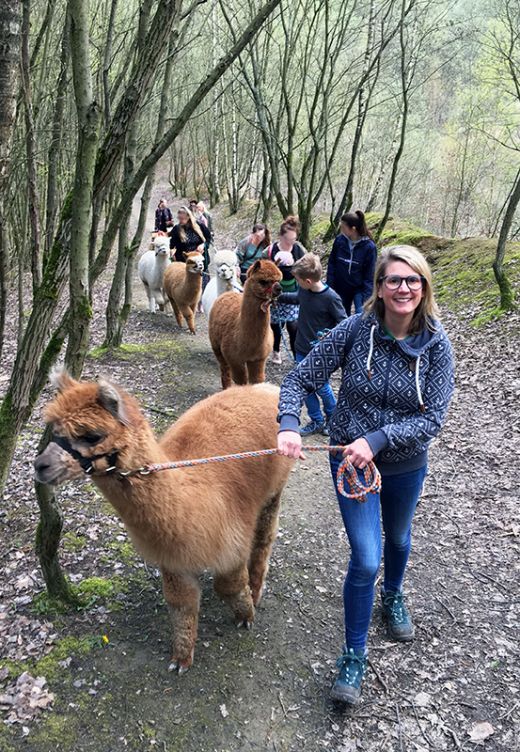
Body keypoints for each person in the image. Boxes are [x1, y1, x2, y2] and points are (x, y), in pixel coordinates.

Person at [277, 245, 454, 705]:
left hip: (405, 464)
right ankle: (354, 655)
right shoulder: (356, 330)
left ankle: (393, 596)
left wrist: (377, 439)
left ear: (424, 286)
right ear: (378, 287)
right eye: (394, 279)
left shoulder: (437, 344)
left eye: (412, 279)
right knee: (367, 558)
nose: (403, 288)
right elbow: (300, 378)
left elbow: (433, 418)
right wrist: (290, 424)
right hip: (351, 466)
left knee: (397, 539)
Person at [276, 253, 346, 436]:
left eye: (297, 279)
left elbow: (344, 324)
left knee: (322, 387)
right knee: (305, 387)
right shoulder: (305, 292)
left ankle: (333, 418)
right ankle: (316, 420)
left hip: (320, 353)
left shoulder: (331, 298)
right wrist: (277, 296)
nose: (296, 282)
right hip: (301, 349)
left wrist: (328, 336)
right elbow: (295, 298)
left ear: (307, 280)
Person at [265, 216, 307, 364]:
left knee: (293, 325)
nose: (292, 242)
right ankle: (276, 351)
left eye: (294, 238)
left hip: (294, 293)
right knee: (276, 324)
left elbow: (307, 266)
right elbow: (262, 268)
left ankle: (297, 356)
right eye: (289, 238)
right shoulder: (270, 250)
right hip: (275, 293)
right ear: (281, 236)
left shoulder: (298, 249)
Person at [327, 210, 377, 315]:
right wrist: (330, 286)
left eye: (343, 227)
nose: (340, 229)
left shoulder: (369, 247)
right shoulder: (339, 241)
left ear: (353, 229)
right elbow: (332, 263)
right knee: (342, 316)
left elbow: (370, 274)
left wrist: (367, 297)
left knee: (361, 314)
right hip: (341, 286)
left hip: (359, 288)